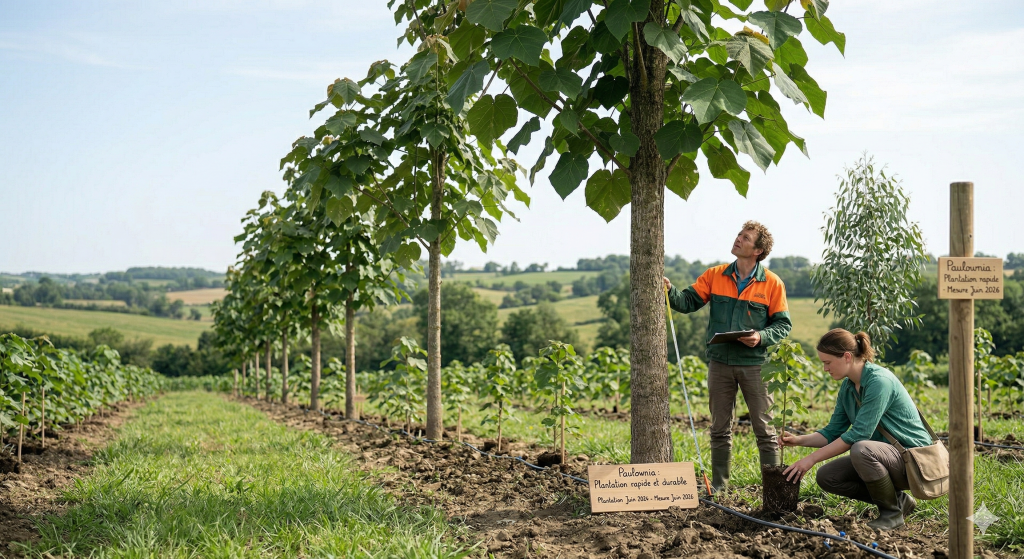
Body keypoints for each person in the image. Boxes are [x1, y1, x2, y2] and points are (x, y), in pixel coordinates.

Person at [664, 221, 792, 493]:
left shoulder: (772, 283)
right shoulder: (714, 275)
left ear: (758, 250)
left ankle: (774, 492)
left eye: (745, 238)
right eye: (738, 235)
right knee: (719, 429)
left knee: (765, 433)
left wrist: (759, 337)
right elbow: (687, 302)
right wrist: (668, 289)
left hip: (756, 366)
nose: (737, 239)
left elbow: (783, 325)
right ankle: (720, 488)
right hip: (720, 364)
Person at [780, 329, 933, 531]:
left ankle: (891, 514)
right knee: (828, 476)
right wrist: (798, 441)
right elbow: (833, 431)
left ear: (847, 356)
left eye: (827, 362)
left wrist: (811, 459)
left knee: (861, 448)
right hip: (886, 457)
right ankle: (900, 501)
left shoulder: (879, 382)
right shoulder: (849, 386)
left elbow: (859, 435)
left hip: (913, 460)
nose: (825, 369)